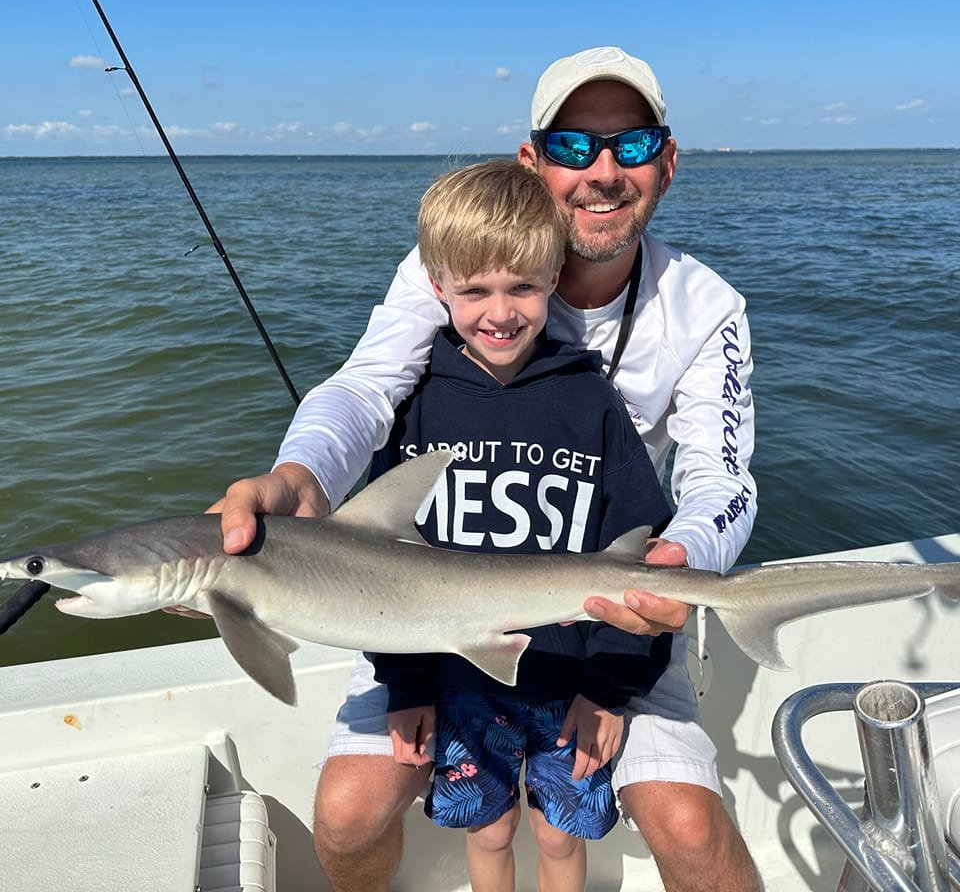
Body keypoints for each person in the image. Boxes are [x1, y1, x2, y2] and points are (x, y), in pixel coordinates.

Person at [211, 46, 760, 892]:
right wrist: (301, 475)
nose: (604, 172)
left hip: (615, 609)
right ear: (533, 162)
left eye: (633, 144)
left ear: (669, 159)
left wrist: (679, 564)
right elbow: (364, 389)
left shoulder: (707, 306)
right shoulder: (448, 268)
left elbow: (721, 480)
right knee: (348, 816)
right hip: (426, 605)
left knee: (690, 831)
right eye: (575, 147)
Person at [366, 157, 675, 891]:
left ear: (554, 280)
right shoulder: (415, 403)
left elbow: (637, 556)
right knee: (490, 829)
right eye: (473, 291)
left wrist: (608, 688)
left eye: (523, 288)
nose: (499, 312)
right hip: (457, 676)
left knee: (561, 838)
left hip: (572, 676)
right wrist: (404, 686)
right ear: (437, 287)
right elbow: (378, 574)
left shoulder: (590, 400)